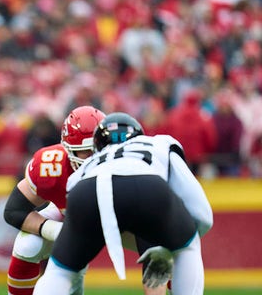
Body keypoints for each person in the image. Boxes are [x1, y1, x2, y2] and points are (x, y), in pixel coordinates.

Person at [35, 112, 213, 295]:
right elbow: (201, 214)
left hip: (86, 190)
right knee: (188, 245)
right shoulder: (159, 143)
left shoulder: (85, 168)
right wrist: (179, 241)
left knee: (59, 271)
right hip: (146, 185)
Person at [3, 106, 106, 295]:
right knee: (28, 245)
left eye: (99, 150)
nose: (94, 158)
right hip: (72, 216)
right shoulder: (52, 165)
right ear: (68, 151)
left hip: (123, 222)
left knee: (165, 250)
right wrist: (56, 231)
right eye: (86, 152)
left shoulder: (126, 166)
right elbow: (13, 211)